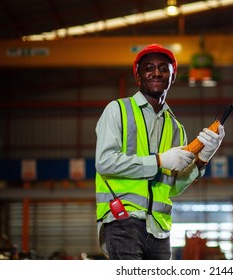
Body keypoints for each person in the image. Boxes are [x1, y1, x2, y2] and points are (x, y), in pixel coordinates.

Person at [95, 43, 225, 260]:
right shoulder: (117, 110)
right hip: (123, 220)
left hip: (159, 229)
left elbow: (172, 187)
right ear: (138, 76)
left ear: (172, 78)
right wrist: (159, 160)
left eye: (164, 68)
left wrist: (203, 159)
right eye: (149, 68)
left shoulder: (176, 127)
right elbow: (104, 162)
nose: (156, 72)